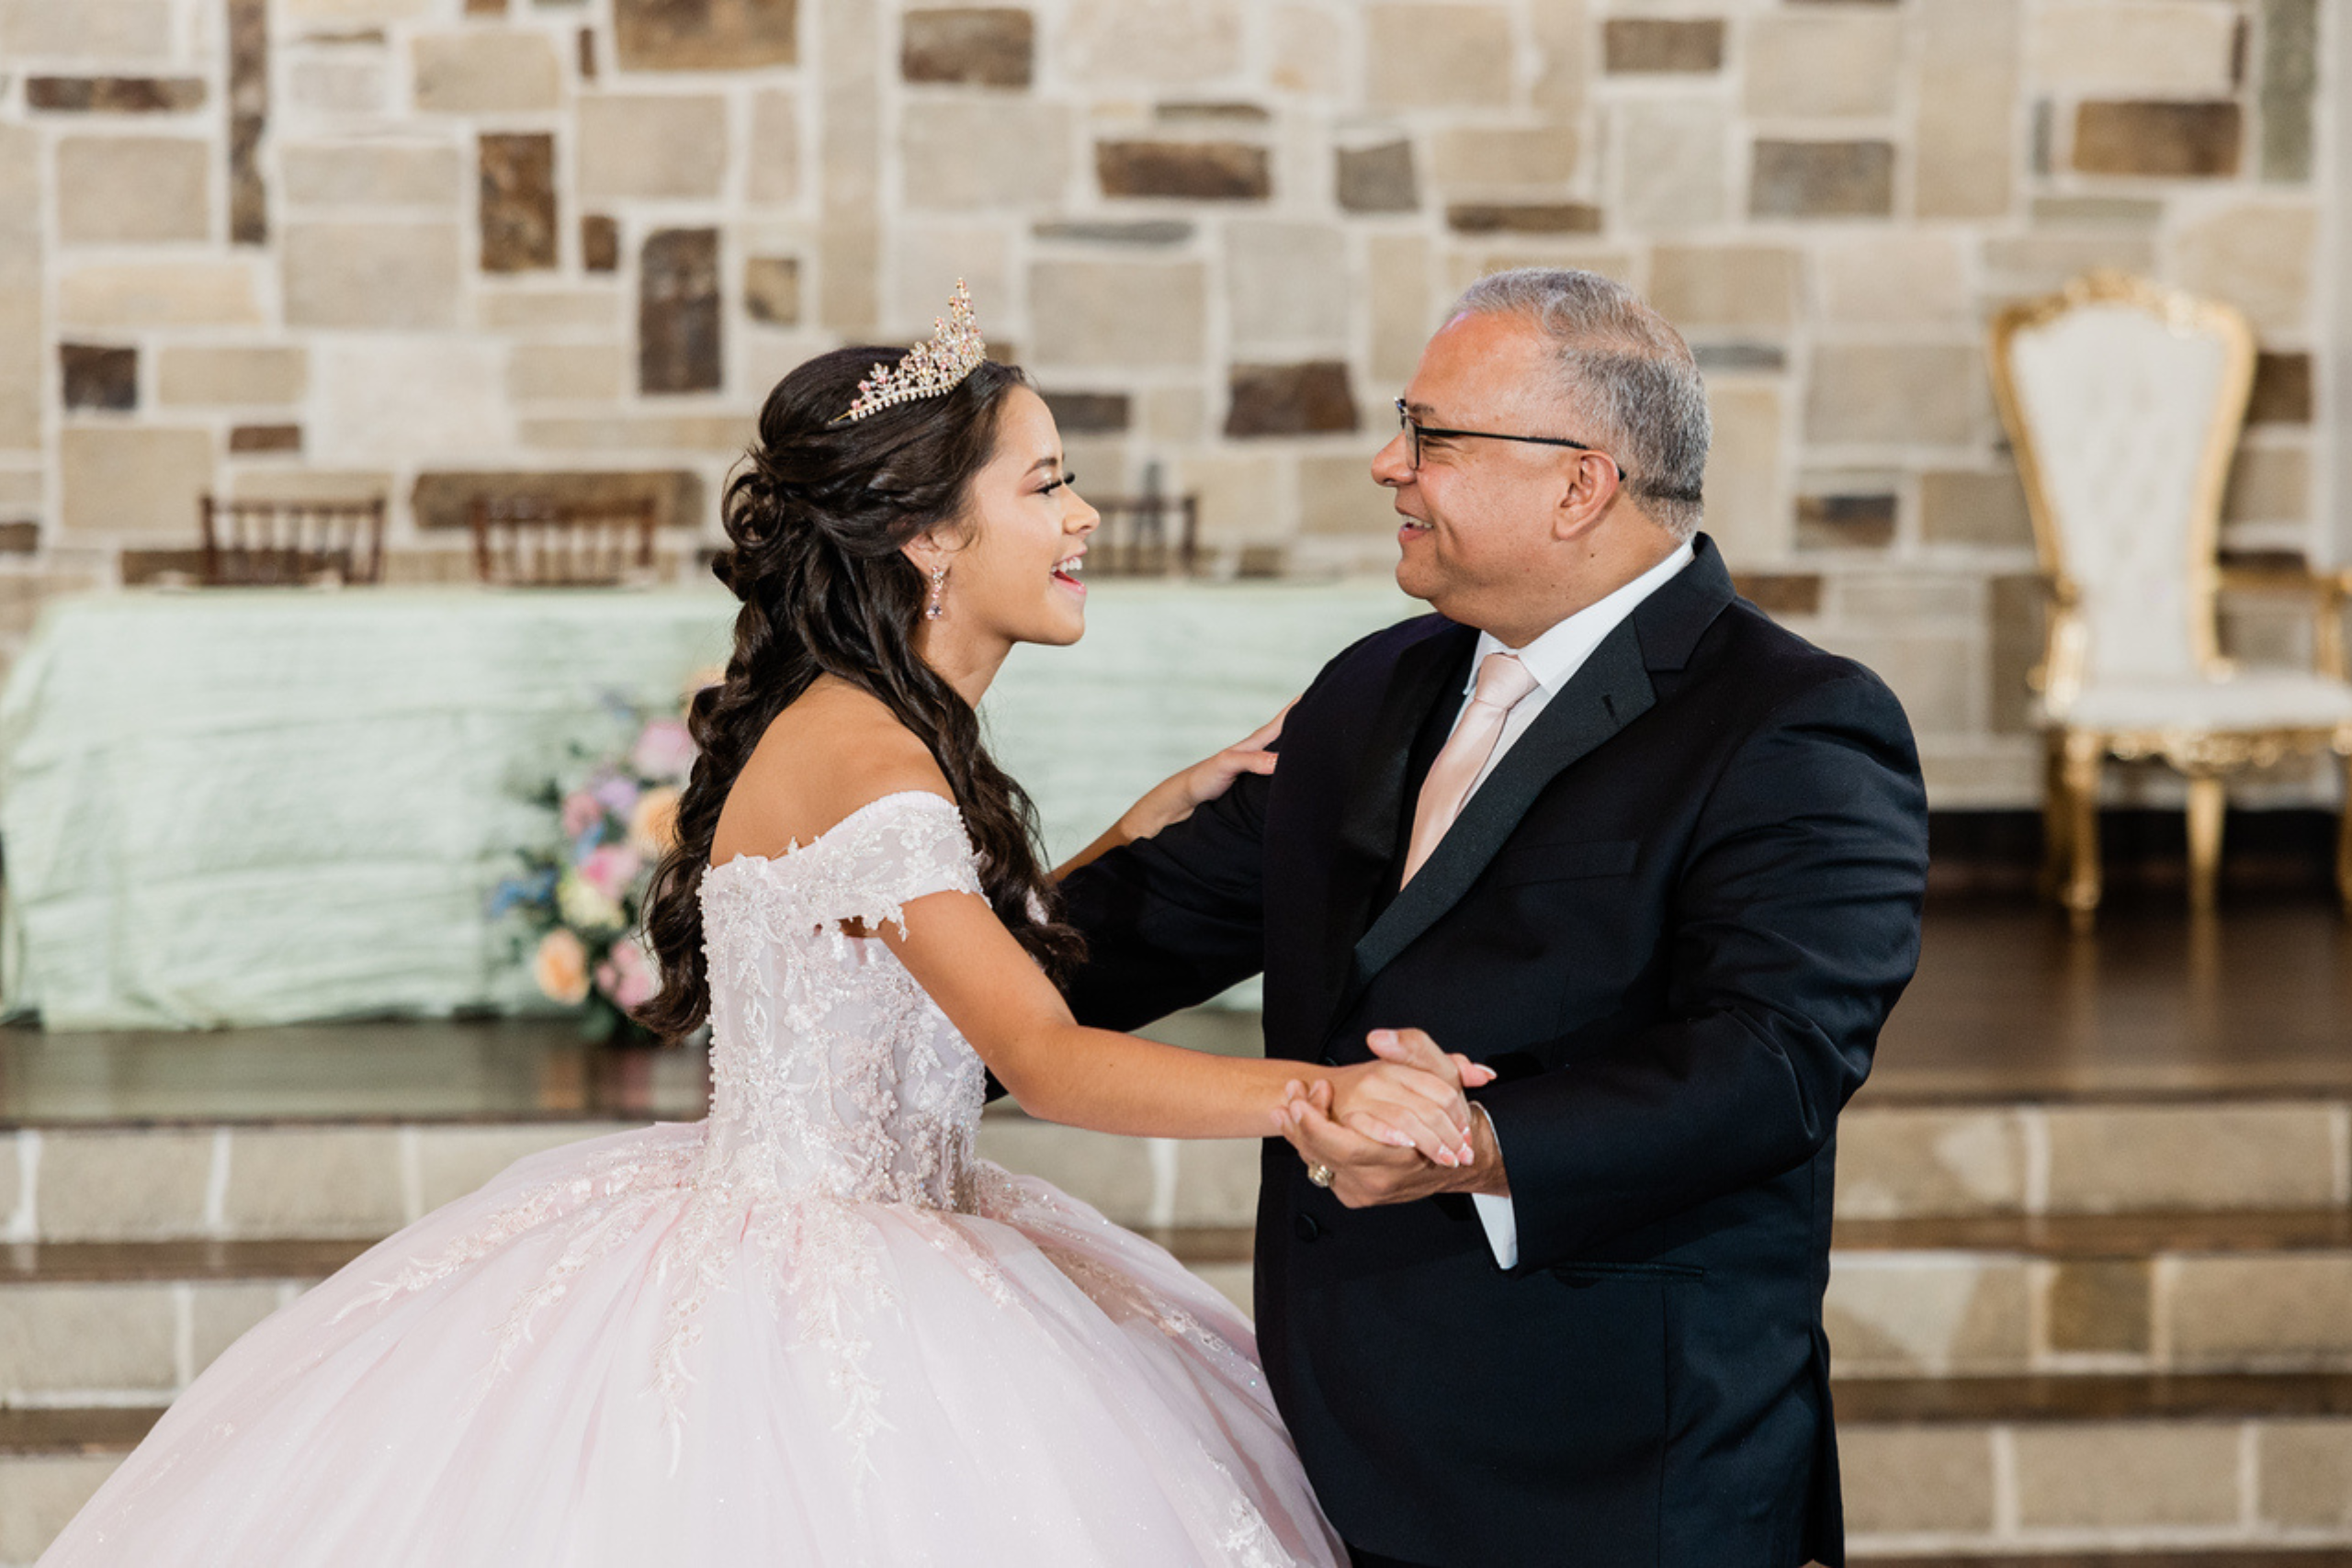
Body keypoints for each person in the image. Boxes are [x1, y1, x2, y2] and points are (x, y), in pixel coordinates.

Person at [36, 286, 1480, 1567]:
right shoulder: (870, 753)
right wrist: (1318, 1095)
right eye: (1047, 484)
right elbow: (1040, 1055)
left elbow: (951, 946)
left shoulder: (873, 730)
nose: (1083, 516)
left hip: (883, 1222)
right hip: (820, 1272)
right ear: (929, 537)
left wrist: (1150, 818)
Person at [1057, 268, 1932, 1568]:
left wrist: (1476, 1143)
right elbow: (1124, 941)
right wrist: (873, 956)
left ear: (1580, 485)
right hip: (1333, 1446)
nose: (1387, 466)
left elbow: (1776, 1059)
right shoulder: (1371, 685)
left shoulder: (1791, 721)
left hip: (1612, 1467)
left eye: (1431, 436)